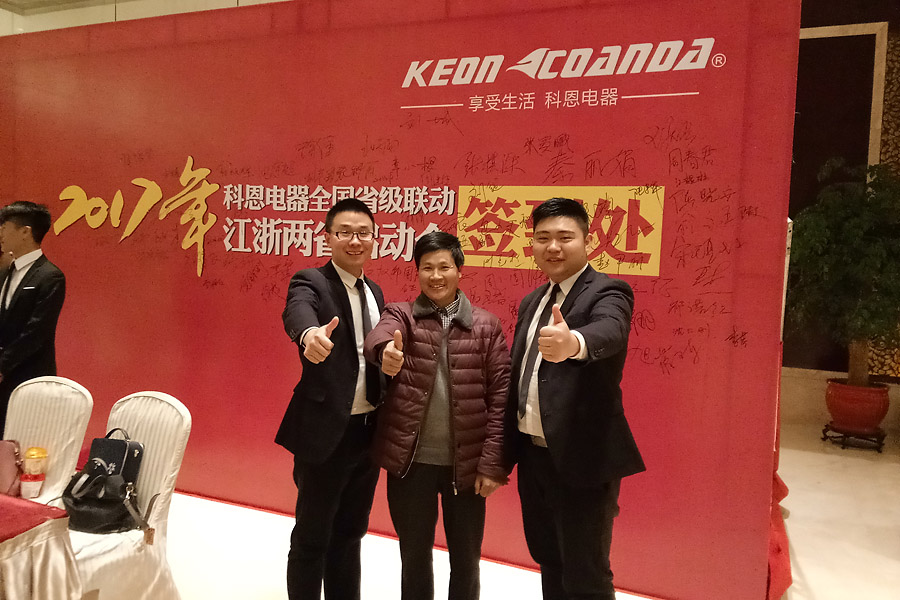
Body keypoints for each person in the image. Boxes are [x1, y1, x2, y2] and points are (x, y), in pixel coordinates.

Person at [508, 198, 645, 600]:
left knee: (586, 574)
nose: (553, 247)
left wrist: (574, 343)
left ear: (587, 241)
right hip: (534, 456)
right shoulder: (533, 300)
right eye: (543, 238)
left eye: (565, 237)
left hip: (583, 458)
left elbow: (610, 329)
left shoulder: (608, 290)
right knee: (549, 559)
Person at [363, 231, 510, 600]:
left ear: (459, 270)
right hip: (411, 464)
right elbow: (378, 337)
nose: (436, 275)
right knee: (413, 556)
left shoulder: (486, 326)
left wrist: (493, 464)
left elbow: (500, 397)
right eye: (427, 268)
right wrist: (386, 352)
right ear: (418, 272)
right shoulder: (401, 314)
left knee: (467, 559)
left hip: (468, 465)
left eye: (444, 266)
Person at [275, 198, 385, 600]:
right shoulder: (312, 281)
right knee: (312, 537)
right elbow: (298, 310)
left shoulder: (374, 291)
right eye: (344, 233)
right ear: (328, 237)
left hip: (368, 432)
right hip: (326, 433)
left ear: (374, 238)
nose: (354, 241)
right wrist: (309, 335)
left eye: (363, 233)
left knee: (351, 533)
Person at [0, 201, 66, 437]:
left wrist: (2, 366)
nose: (0, 234)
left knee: (25, 441)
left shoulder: (50, 276)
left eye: (4, 227)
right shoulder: (5, 271)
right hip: (3, 377)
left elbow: (36, 331)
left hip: (29, 376)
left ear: (25, 232)